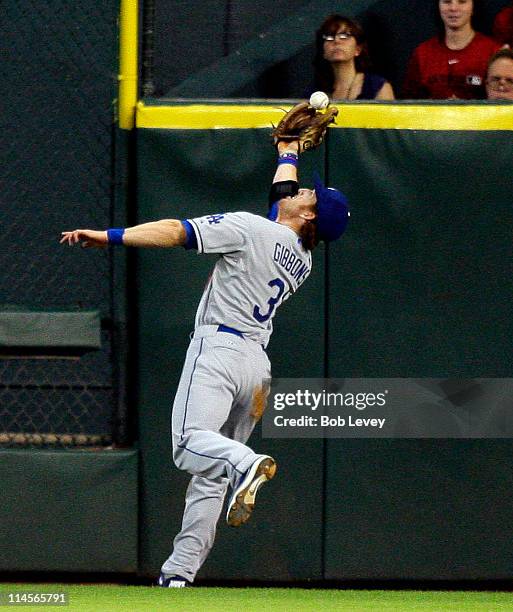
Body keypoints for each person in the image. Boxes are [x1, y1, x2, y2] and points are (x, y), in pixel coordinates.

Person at [60, 137, 349, 587]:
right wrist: (287, 153)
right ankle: (180, 573)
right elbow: (281, 205)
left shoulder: (251, 229)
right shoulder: (303, 258)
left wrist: (110, 236)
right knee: (208, 475)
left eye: (308, 194)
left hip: (220, 350)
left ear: (309, 214)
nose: (298, 192)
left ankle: (245, 463)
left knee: (188, 445)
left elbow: (178, 231)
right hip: (257, 372)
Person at [402, 0, 499, 99]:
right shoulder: (422, 53)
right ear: (438, 7)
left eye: (462, 2)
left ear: (473, 7)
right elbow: (409, 103)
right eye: (447, 2)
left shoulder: (493, 52)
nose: (453, 8)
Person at [312, 14, 394, 101]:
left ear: (357, 49)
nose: (336, 41)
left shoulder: (377, 87)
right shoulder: (315, 92)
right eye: (329, 37)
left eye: (344, 36)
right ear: (323, 51)